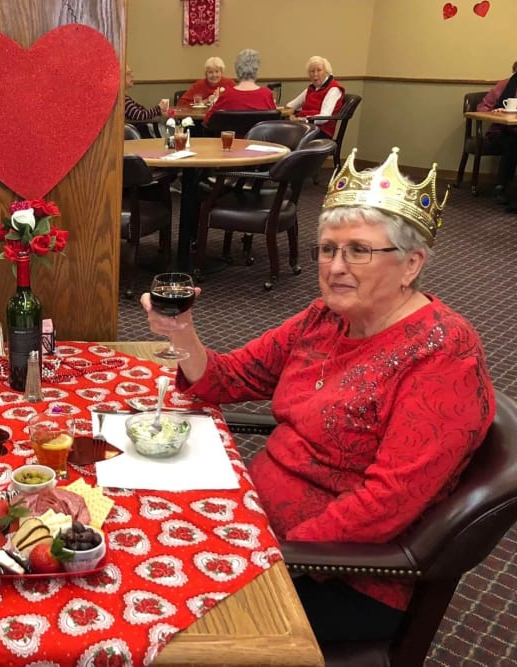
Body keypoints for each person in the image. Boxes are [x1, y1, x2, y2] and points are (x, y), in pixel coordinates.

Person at [141, 147, 495, 643]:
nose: (336, 267)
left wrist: (266, 555)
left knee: (152, 617)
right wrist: (180, 333)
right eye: (328, 249)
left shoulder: (443, 354)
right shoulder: (324, 318)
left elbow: (385, 505)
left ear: (412, 264)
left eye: (358, 250)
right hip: (258, 521)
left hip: (338, 572)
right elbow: (232, 377)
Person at [478, 63, 517, 209]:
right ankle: (502, 187)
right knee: (512, 142)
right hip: (500, 132)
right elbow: (482, 108)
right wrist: (497, 111)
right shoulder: (504, 85)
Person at [203, 49, 277, 122]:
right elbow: (274, 121)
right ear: (257, 70)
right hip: (260, 134)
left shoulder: (227, 95)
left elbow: (208, 120)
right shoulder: (267, 94)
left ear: (237, 70)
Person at [285, 56, 345, 137]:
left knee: (283, 134)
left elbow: (325, 116)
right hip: (305, 128)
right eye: (312, 71)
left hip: (321, 131)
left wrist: (303, 119)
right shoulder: (311, 88)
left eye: (319, 70)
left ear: (326, 72)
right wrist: (292, 115)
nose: (315, 74)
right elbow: (290, 105)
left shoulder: (334, 89)